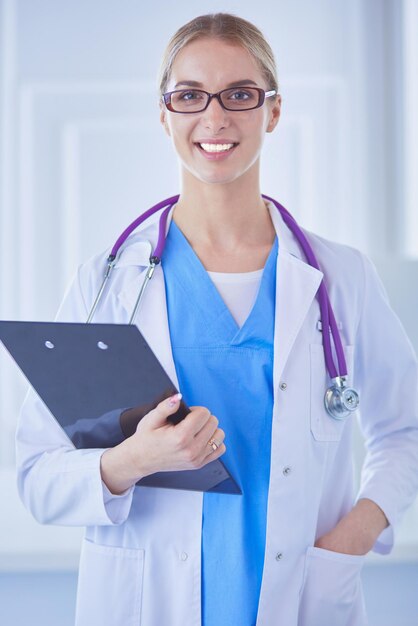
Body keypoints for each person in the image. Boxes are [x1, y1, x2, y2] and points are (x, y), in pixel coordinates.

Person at [16, 12, 418, 626]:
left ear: (272, 112)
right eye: (188, 95)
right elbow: (37, 475)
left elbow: (406, 430)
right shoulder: (109, 281)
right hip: (149, 601)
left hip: (303, 596)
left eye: (239, 94)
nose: (214, 116)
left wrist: (358, 531)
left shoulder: (342, 277)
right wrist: (135, 460)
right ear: (163, 113)